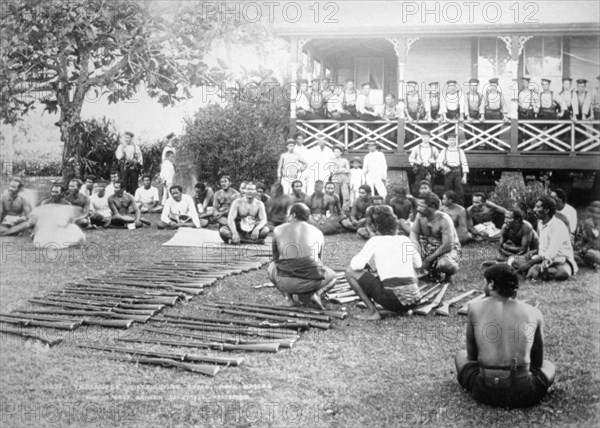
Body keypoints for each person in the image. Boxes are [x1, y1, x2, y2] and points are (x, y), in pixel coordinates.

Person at [455, 264, 555, 409]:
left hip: (484, 391)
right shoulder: (534, 312)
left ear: (491, 284)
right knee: (549, 365)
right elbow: (538, 363)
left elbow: (471, 356)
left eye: (485, 282)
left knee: (460, 355)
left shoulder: (474, 308)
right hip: (524, 392)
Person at [346, 208, 422, 320]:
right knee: (411, 266)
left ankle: (372, 312)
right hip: (415, 300)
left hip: (393, 300)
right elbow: (418, 264)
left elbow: (355, 266)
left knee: (349, 272)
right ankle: (405, 305)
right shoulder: (404, 239)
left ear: (376, 227)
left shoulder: (375, 241)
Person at [267, 203, 338, 309]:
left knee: (271, 267)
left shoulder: (278, 229)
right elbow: (319, 260)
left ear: (293, 215)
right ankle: (317, 294)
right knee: (333, 276)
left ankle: (288, 299)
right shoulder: (318, 232)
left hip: (285, 282)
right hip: (311, 282)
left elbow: (275, 258)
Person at [516, 195, 578, 281]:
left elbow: (551, 254)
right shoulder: (540, 223)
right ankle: (536, 271)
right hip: (544, 259)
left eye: (537, 207)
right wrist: (532, 253)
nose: (534, 209)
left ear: (546, 210)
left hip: (561, 261)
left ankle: (537, 271)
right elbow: (543, 246)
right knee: (516, 261)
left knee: (563, 273)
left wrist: (530, 263)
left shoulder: (557, 226)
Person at [410, 192, 461, 284]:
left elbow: (447, 246)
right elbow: (414, 232)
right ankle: (426, 273)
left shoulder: (444, 219)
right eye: (418, 205)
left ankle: (448, 275)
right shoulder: (420, 216)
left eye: (422, 206)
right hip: (428, 247)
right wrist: (416, 249)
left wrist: (428, 259)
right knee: (405, 251)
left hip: (447, 249)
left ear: (432, 207)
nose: (418, 209)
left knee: (446, 264)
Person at [437, 134, 468, 205]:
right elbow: (438, 163)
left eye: (453, 140)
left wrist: (465, 176)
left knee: (460, 191)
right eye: (450, 140)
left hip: (458, 173)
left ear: (456, 141)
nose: (452, 142)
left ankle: (460, 207)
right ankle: (447, 207)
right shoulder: (444, 151)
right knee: (448, 191)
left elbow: (464, 163)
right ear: (447, 141)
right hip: (448, 173)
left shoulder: (460, 151)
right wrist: (444, 167)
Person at [574, 200, 600, 269]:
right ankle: (589, 263)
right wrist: (581, 245)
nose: (595, 215)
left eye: (598, 213)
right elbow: (586, 240)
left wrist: (586, 248)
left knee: (591, 254)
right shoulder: (588, 223)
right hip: (587, 249)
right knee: (573, 254)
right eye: (593, 212)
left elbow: (595, 242)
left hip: (596, 251)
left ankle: (590, 263)